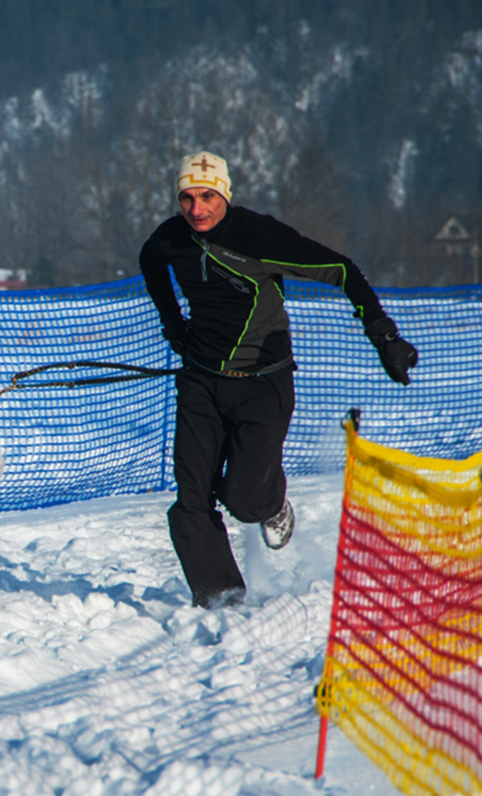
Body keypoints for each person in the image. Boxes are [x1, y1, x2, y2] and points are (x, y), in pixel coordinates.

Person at [138, 150, 417, 609]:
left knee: (243, 499)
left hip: (262, 383)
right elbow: (151, 261)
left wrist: (384, 336)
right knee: (191, 496)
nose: (196, 208)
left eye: (206, 196)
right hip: (201, 381)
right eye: (186, 198)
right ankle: (220, 596)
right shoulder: (171, 238)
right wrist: (173, 324)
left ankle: (271, 505)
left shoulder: (258, 235)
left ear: (224, 193)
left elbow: (343, 270)